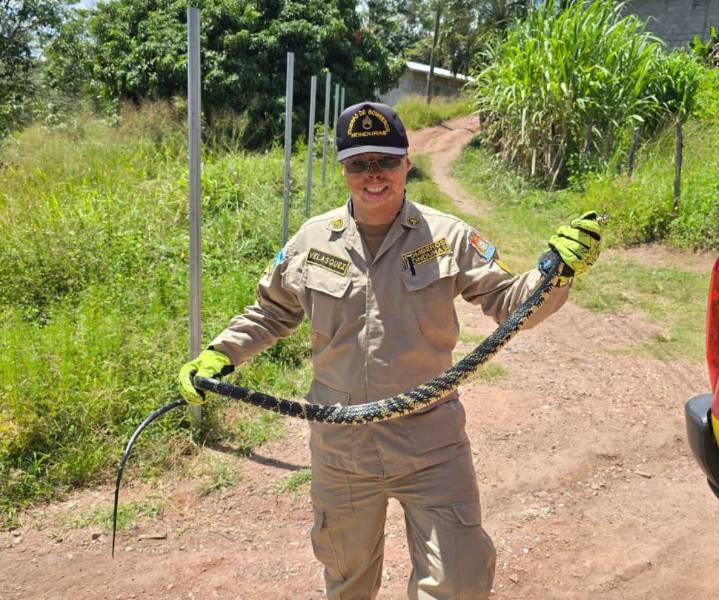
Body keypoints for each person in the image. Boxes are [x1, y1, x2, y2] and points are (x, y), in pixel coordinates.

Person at [179, 101, 602, 600]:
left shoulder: (446, 238)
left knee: (460, 582)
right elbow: (271, 312)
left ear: (407, 163)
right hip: (342, 448)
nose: (372, 175)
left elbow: (509, 303)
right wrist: (220, 354)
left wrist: (555, 273)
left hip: (430, 443)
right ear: (344, 170)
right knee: (347, 581)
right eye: (359, 163)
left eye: (385, 160)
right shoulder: (311, 242)